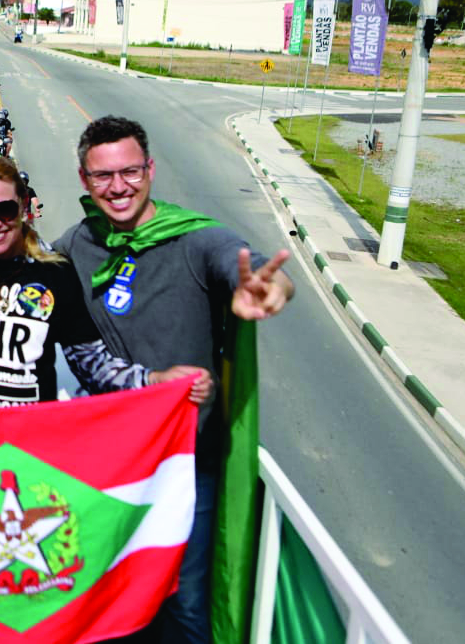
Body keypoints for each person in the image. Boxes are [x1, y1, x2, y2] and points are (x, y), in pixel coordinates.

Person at [54, 116, 295, 644]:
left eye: (130, 171)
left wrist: (266, 283)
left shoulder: (195, 239)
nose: (118, 187)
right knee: (102, 599)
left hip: (187, 465)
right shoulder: (75, 247)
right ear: (83, 180)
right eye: (102, 176)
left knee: (185, 606)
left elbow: (241, 260)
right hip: (107, 466)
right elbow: (23, 279)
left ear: (151, 170)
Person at [0, 157, 211, 412]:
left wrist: (155, 380)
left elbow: (92, 365)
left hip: (17, 453)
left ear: (24, 206)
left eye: (4, 210)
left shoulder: (57, 273)